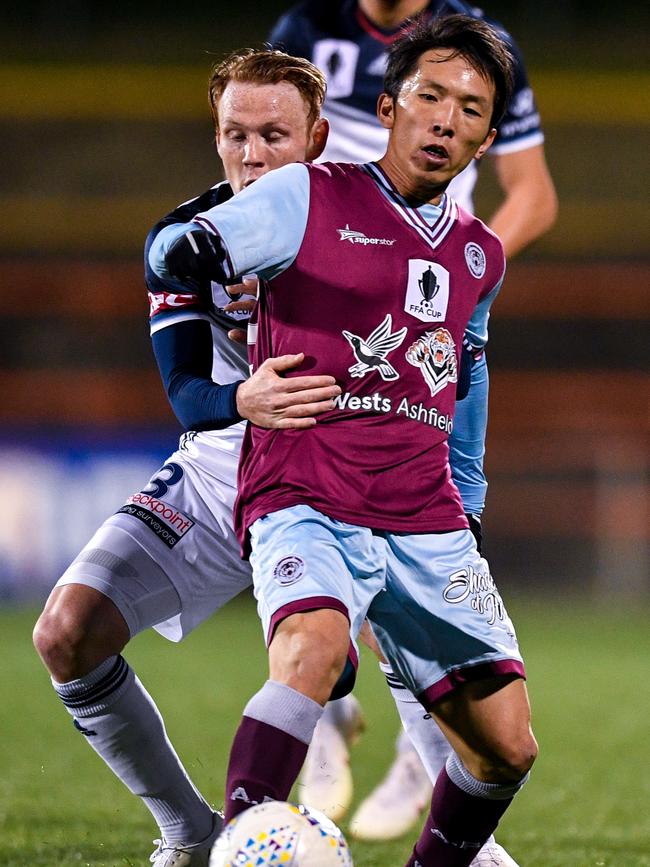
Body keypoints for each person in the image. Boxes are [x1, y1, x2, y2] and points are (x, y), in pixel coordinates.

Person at [155, 15, 538, 867]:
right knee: (316, 652)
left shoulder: (481, 254)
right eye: (431, 96)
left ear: (485, 136)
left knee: (508, 745)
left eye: (471, 110)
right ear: (391, 104)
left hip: (424, 514)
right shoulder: (307, 194)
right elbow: (186, 250)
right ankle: (245, 848)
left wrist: (466, 499)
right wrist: (195, 261)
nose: (446, 120)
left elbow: (462, 373)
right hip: (307, 488)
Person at [32, 48, 339, 867]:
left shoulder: (369, 227)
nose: (252, 155)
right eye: (233, 134)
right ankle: (192, 831)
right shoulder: (182, 240)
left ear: (318, 135)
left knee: (401, 653)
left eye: (273, 134)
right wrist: (244, 402)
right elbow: (186, 391)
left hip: (346, 479)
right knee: (68, 630)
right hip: (222, 467)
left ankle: (470, 843)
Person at [269, 0, 556, 847]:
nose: (448, 117)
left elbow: (532, 195)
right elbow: (272, 150)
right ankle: (323, 720)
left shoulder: (476, 46)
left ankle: (421, 749)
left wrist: (452, 272)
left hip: (426, 329)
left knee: (430, 531)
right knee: (315, 529)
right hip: (323, 315)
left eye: (466, 112)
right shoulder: (306, 29)